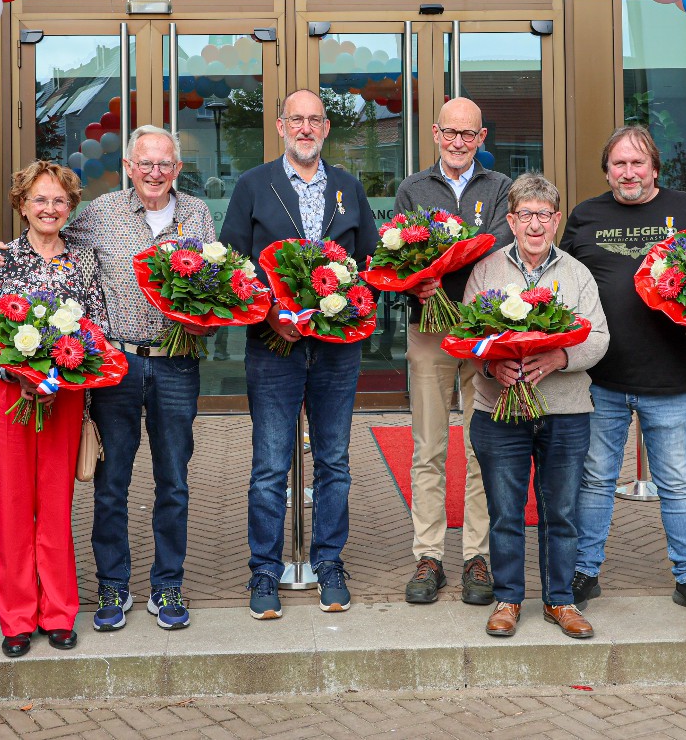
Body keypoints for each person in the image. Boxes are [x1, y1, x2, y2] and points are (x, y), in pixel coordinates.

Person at [0, 129, 215, 634]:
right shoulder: (101, 213)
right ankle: (113, 585)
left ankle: (167, 582)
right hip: (119, 366)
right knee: (112, 483)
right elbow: (50, 239)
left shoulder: (197, 214)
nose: (155, 173)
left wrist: (210, 314)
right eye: (145, 163)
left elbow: (210, 281)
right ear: (129, 165)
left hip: (176, 363)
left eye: (165, 164)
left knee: (173, 480)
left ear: (177, 169)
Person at [220, 89, 379, 620]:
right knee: (269, 465)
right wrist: (270, 316)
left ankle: (329, 563)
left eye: (315, 120)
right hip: (273, 347)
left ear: (326, 129)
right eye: (297, 119)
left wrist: (349, 310)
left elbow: (369, 268)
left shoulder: (348, 188)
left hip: (337, 351)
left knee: (334, 461)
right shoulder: (252, 186)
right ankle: (264, 570)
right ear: (281, 126)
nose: (305, 128)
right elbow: (234, 270)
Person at [560, 125, 686, 623]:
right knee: (594, 480)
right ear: (607, 170)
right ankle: (584, 572)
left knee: (677, 482)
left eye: (637, 164)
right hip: (601, 377)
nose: (628, 173)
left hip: (669, 376)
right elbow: (564, 280)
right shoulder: (585, 216)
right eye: (619, 164)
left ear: (654, 168)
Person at [462, 173, 609, 639]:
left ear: (557, 220)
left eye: (544, 215)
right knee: (506, 511)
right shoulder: (486, 271)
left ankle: (560, 601)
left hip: (564, 411)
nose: (535, 224)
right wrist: (492, 367)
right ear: (511, 219)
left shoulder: (576, 273)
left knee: (561, 511)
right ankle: (508, 598)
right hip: (498, 410)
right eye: (526, 214)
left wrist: (561, 356)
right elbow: (469, 337)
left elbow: (600, 338)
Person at [0, 160, 108, 658]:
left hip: (63, 394)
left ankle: (58, 611)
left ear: (70, 207)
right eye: (40, 199)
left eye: (59, 200)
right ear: (22, 205)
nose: (49, 208)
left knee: (55, 504)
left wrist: (61, 379)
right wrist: (23, 377)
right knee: (13, 503)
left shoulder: (85, 260)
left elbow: (95, 332)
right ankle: (15, 616)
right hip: (9, 396)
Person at [394, 98, 512, 606]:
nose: (459, 142)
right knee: (428, 447)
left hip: (484, 331)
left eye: (470, 134)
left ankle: (476, 556)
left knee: (483, 446)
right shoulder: (412, 189)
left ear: (481, 137)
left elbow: (501, 252)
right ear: (436, 134)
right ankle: (429, 556)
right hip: (429, 331)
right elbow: (395, 256)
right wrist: (413, 284)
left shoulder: (502, 188)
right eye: (451, 133)